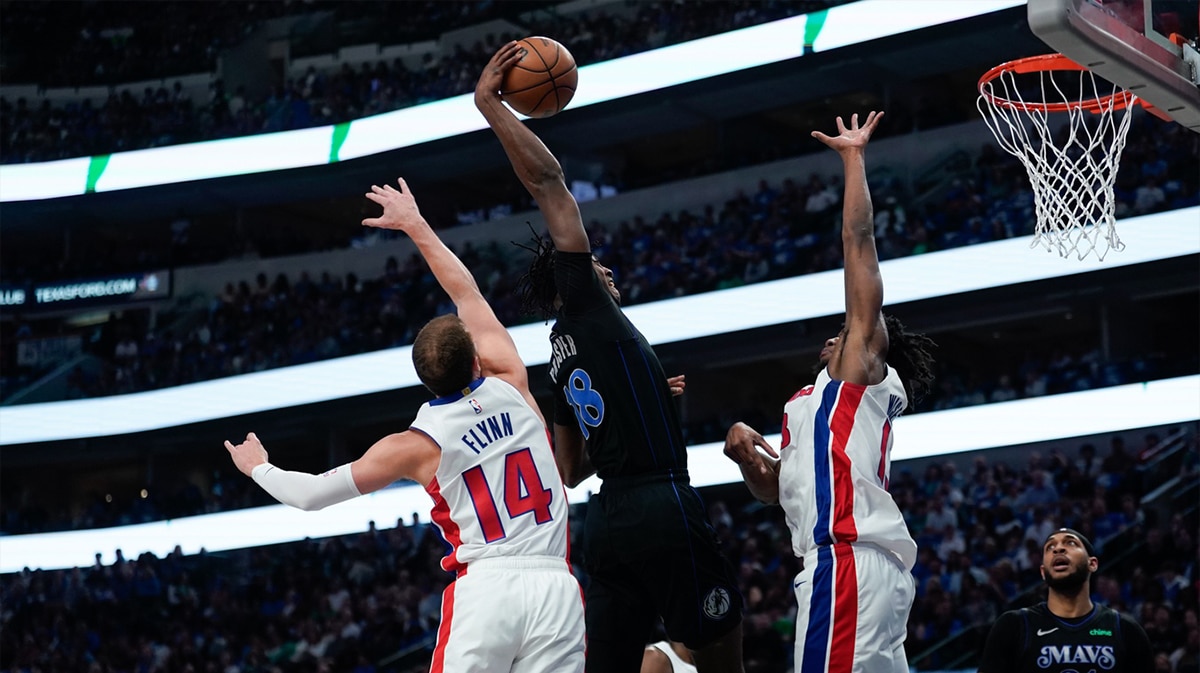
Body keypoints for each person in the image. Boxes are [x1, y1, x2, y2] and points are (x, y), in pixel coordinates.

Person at [224, 178, 585, 673]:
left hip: (488, 588)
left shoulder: (415, 446)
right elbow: (465, 290)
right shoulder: (511, 380)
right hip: (556, 586)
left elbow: (308, 496)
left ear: (424, 381)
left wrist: (258, 468)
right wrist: (415, 224)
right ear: (477, 358)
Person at [474, 42, 744, 673]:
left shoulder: (558, 355)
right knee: (723, 637)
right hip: (659, 501)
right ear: (581, 275)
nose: (607, 267)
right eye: (598, 265)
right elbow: (548, 182)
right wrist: (491, 106)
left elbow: (571, 472)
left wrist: (641, 406)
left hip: (607, 523)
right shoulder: (589, 305)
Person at [722, 111, 937, 673]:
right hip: (863, 570)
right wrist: (748, 457)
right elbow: (777, 492)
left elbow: (857, 240)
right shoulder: (807, 404)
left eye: (847, 329)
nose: (838, 333)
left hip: (846, 562)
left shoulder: (857, 377)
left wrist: (853, 159)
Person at [978, 528, 1153, 672]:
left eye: (1070, 543)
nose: (1058, 549)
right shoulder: (1014, 626)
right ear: (1043, 572)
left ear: (1092, 563)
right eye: (1050, 547)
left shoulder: (1125, 629)